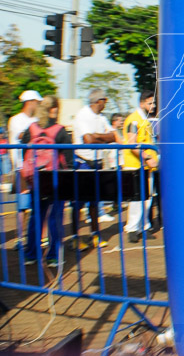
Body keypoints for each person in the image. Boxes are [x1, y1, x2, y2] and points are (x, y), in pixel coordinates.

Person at [20, 95, 71, 266]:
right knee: (55, 217)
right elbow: (69, 159)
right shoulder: (60, 130)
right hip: (56, 179)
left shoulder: (31, 129)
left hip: (36, 179)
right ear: (54, 109)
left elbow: (23, 154)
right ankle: (53, 255)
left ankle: (31, 253)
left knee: (36, 216)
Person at [71, 89, 117, 250]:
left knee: (94, 201)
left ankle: (95, 234)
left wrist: (97, 136)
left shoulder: (102, 117)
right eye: (105, 100)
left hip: (96, 162)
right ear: (99, 101)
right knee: (79, 202)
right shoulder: (82, 115)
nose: (106, 103)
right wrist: (102, 137)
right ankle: (75, 237)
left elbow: (113, 136)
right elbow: (88, 139)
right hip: (83, 162)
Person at [123, 90, 159, 244]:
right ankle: (132, 228)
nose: (153, 105)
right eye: (150, 103)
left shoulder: (145, 120)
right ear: (142, 103)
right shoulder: (134, 120)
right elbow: (132, 144)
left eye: (154, 102)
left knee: (147, 199)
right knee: (137, 200)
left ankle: (143, 227)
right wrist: (148, 157)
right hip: (136, 166)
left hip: (146, 167)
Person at [8, 90, 41, 240]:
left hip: (36, 167)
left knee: (36, 203)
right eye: (37, 102)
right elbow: (25, 136)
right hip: (21, 167)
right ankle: (21, 238)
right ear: (30, 102)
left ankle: (34, 236)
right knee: (23, 205)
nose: (39, 105)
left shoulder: (36, 119)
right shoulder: (16, 120)